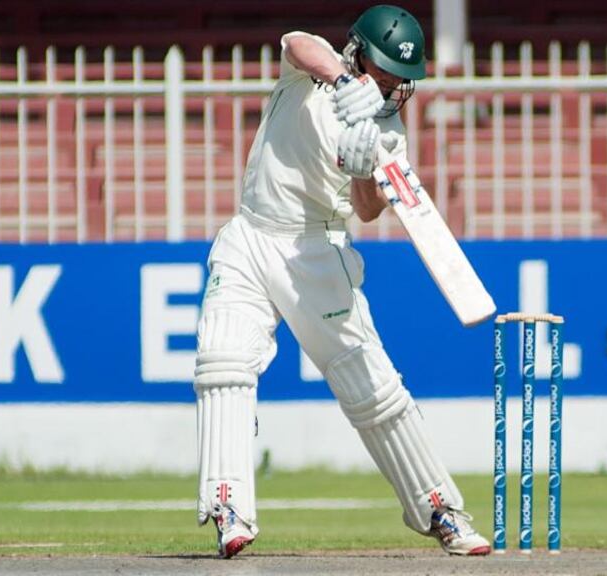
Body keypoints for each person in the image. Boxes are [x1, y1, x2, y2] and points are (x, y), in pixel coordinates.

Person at [192, 5, 491, 559]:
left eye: (400, 83)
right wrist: (344, 82)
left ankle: (439, 509)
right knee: (223, 362)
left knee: (373, 390)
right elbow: (294, 40)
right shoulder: (309, 73)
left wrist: (364, 173)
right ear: (357, 55)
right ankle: (227, 507)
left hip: (318, 251)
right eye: (383, 78)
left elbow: (368, 211)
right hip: (252, 236)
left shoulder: (389, 132)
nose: (390, 91)